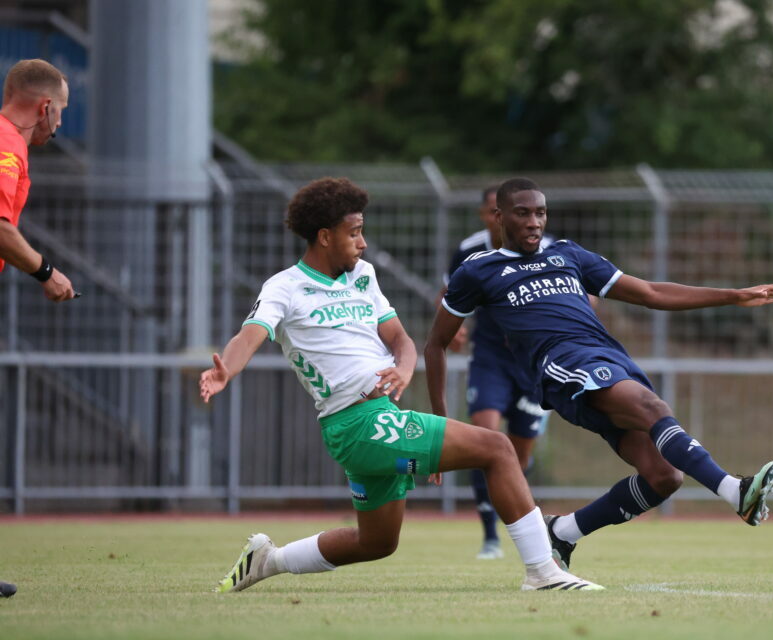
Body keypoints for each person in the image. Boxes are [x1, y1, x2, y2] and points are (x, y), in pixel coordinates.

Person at [200, 177, 600, 592]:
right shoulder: (284, 287)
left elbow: (401, 340)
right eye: (354, 233)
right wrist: (225, 370)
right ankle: (543, 571)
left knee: (376, 542)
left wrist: (405, 370)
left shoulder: (363, 276)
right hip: (359, 427)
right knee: (497, 448)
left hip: (380, 426)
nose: (363, 243)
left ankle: (267, 560)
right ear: (324, 236)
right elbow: (250, 335)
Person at [426, 177, 773, 571]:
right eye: (523, 213)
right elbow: (435, 345)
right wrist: (440, 423)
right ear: (498, 217)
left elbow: (650, 293)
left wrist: (732, 296)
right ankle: (735, 491)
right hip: (561, 365)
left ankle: (562, 532)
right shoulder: (478, 270)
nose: (534, 222)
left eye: (541, 212)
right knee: (651, 405)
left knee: (664, 476)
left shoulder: (567, 254)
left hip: (607, 357)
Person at [444, 186, 554, 560]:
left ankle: (523, 518)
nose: (527, 221)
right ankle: (491, 537)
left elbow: (580, 289)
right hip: (489, 356)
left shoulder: (547, 246)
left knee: (518, 457)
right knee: (485, 440)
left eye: (533, 213)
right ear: (490, 215)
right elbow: (450, 293)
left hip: (530, 362)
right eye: (498, 210)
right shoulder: (469, 250)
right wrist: (454, 328)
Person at [0, 59, 75, 301]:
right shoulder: (7, 143)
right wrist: (47, 272)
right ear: (46, 108)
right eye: (60, 110)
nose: (60, 122)